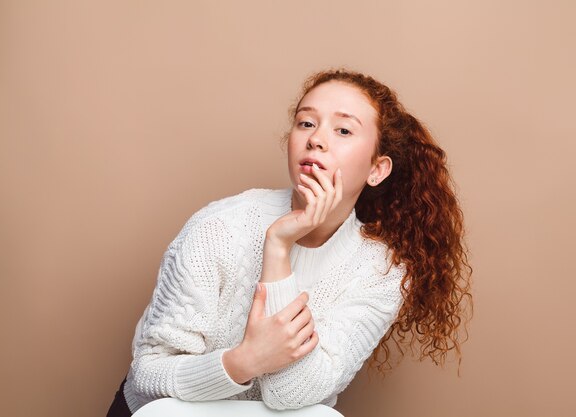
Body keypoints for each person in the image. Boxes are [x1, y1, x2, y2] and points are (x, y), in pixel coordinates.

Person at [106, 68, 473, 416]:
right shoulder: (218, 227)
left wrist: (279, 250)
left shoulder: (382, 271)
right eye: (306, 123)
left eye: (343, 130)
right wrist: (246, 361)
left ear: (377, 169)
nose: (316, 138)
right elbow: (149, 376)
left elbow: (292, 395)